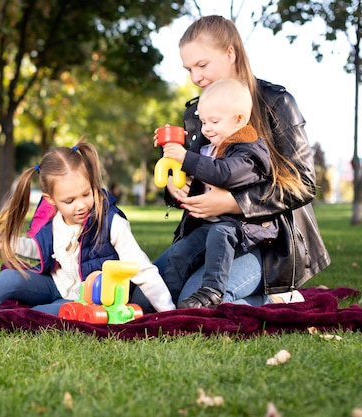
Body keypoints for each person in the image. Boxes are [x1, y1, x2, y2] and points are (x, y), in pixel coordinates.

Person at [131, 15, 330, 310]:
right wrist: (177, 186)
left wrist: (234, 203)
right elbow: (200, 169)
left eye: (202, 65)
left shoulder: (277, 103)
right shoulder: (199, 112)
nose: (196, 77)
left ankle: (276, 297)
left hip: (266, 242)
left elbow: (304, 184)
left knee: (197, 301)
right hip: (209, 236)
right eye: (189, 69)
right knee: (145, 298)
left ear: (230, 53)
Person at [0, 141, 175, 336]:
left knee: (43, 315)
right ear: (51, 201)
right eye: (69, 200)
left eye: (87, 194)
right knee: (11, 277)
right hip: (53, 284)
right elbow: (39, 250)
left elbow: (144, 270)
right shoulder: (54, 223)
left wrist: (171, 314)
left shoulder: (111, 222)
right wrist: (7, 243)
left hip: (85, 300)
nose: (81, 205)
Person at [161, 78, 308, 309]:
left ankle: (213, 291)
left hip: (243, 227)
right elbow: (191, 173)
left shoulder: (250, 150)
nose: (206, 128)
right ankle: (164, 300)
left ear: (239, 119)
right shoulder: (208, 143)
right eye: (203, 121)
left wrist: (186, 158)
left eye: (214, 121)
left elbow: (225, 174)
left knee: (221, 234)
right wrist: (173, 175)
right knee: (181, 251)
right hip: (207, 224)